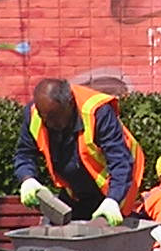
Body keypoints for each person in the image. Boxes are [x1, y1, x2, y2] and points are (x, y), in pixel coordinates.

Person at [12, 78, 145, 227]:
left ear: (69, 103)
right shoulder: (35, 114)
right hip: (75, 193)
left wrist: (113, 200)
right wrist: (27, 178)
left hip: (113, 190)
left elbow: (120, 162)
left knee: (104, 237)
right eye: (45, 118)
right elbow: (25, 153)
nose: (49, 124)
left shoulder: (97, 113)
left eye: (55, 117)